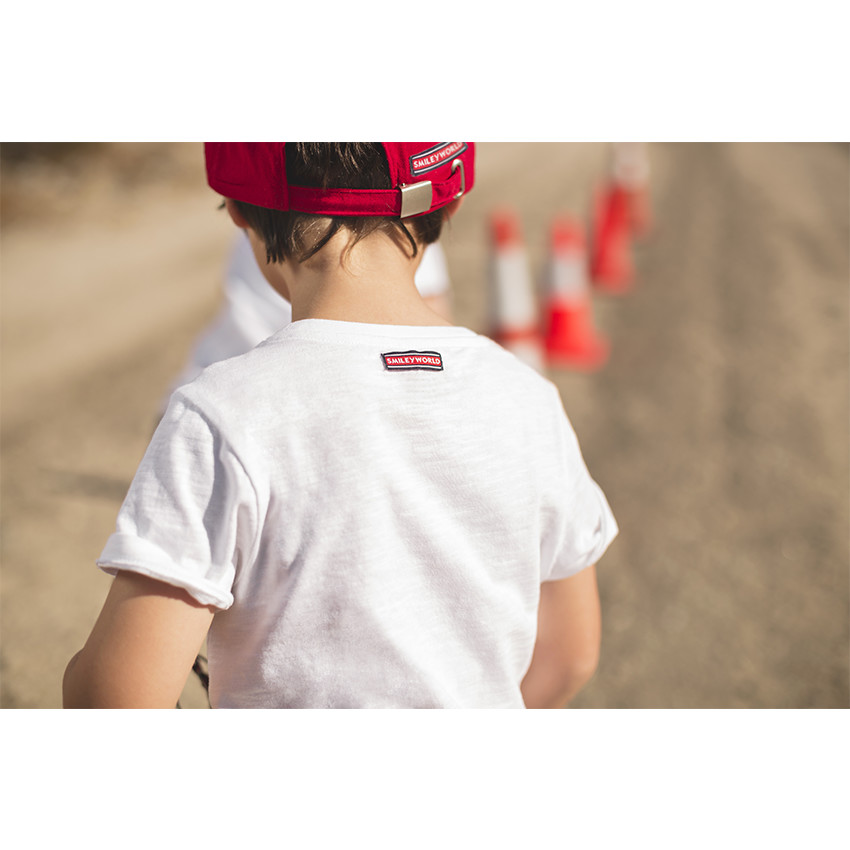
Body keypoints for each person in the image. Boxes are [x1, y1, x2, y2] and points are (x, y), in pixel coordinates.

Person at [63, 142, 617, 709]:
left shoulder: (222, 414)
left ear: (238, 211)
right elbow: (570, 654)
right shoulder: (530, 399)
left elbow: (118, 698)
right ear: (448, 204)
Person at [164, 228, 454, 401]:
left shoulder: (259, 223)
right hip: (313, 405)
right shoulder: (399, 232)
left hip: (207, 390)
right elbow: (426, 330)